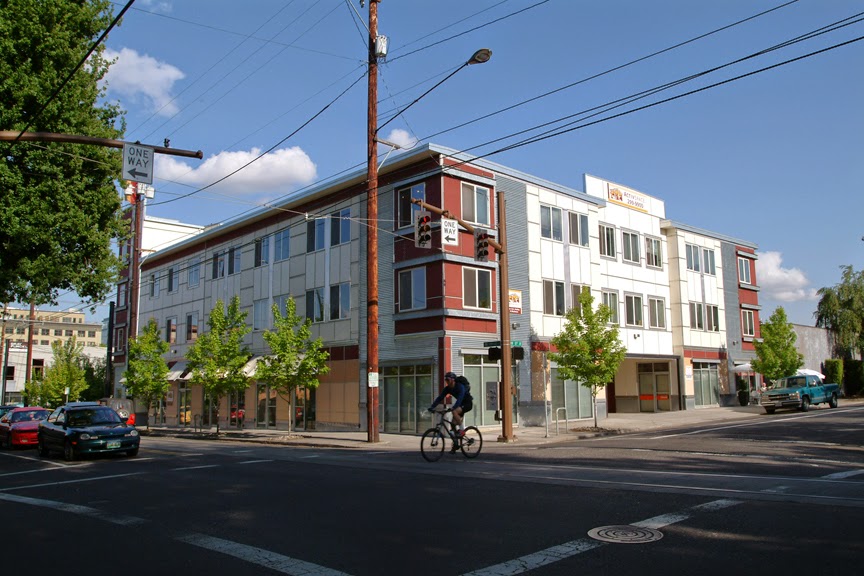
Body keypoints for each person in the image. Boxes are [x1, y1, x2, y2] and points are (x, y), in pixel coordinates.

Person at [428, 372, 473, 442]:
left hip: (467, 403)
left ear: (453, 380)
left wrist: (454, 407)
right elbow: (440, 398)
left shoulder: (459, 386)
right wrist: (432, 407)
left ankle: (462, 430)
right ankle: (456, 444)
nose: (446, 382)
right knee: (453, 425)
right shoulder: (447, 389)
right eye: (445, 380)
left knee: (454, 411)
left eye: (448, 380)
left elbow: (460, 398)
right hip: (460, 405)